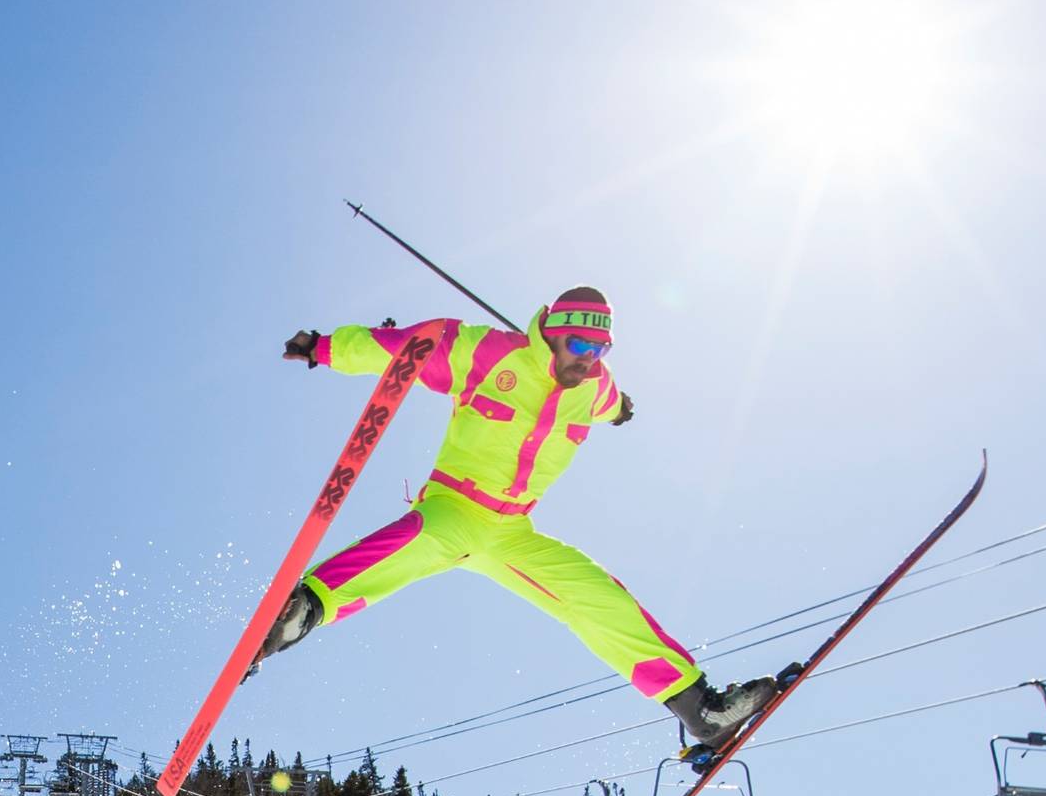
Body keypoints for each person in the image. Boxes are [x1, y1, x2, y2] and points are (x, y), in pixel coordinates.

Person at [255, 287, 778, 749]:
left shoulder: (595, 385)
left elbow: (611, 401)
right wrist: (322, 348)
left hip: (512, 532)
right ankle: (302, 609)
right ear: (550, 332)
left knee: (595, 596)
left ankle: (700, 711)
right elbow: (401, 348)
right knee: (408, 545)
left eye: (601, 351)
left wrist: (619, 409)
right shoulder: (485, 352)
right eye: (579, 346)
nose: (588, 360)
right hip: (455, 505)